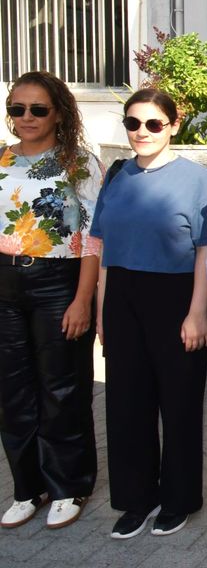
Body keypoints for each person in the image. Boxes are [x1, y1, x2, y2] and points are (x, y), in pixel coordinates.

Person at [90, 89, 207, 540]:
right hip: (121, 296)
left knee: (179, 404)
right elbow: (104, 250)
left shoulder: (197, 179)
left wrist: (197, 312)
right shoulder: (117, 175)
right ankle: (135, 499)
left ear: (173, 125)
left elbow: (205, 251)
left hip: (175, 295)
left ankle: (178, 499)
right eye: (133, 123)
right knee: (127, 403)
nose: (141, 132)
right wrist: (102, 311)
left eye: (153, 123)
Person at [0, 71, 102, 531]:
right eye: (17, 109)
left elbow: (93, 239)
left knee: (62, 389)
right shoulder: (1, 159)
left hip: (58, 282)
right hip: (5, 284)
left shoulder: (78, 163)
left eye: (38, 109)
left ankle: (68, 486)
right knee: (12, 393)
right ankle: (28, 488)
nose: (27, 117)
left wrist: (83, 300)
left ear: (58, 113)